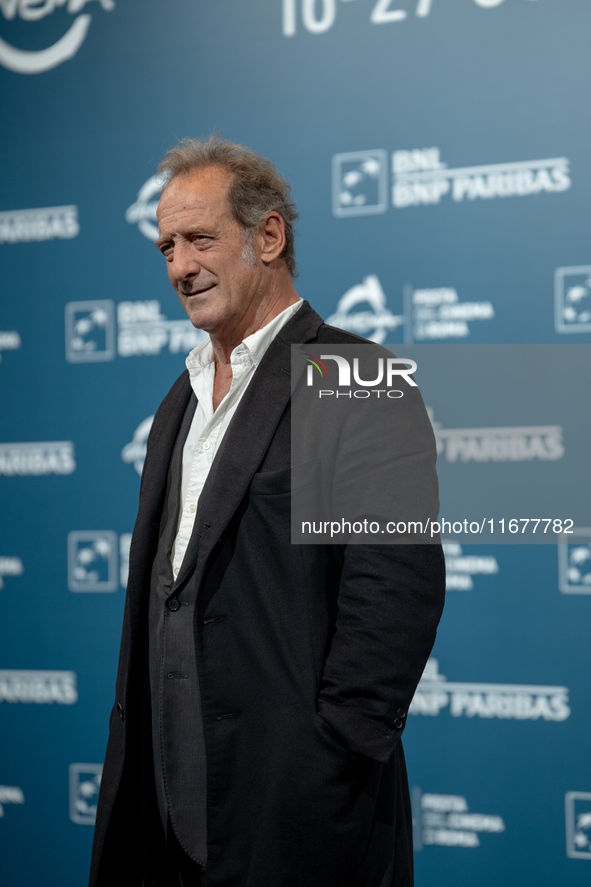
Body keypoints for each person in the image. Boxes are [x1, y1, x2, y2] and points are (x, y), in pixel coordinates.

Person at [89, 137, 445, 887]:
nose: (178, 266)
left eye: (198, 239)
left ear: (269, 236)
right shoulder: (177, 400)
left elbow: (394, 589)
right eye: (165, 247)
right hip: (172, 810)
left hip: (300, 814)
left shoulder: (353, 376)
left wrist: (331, 753)